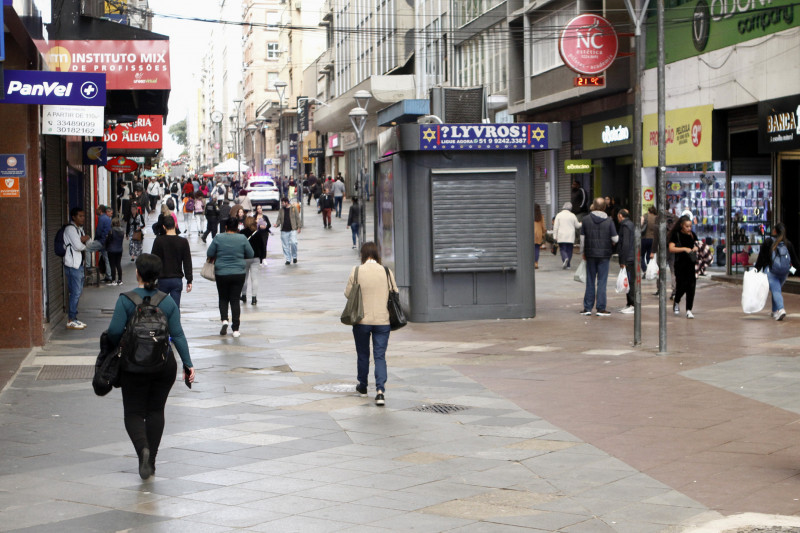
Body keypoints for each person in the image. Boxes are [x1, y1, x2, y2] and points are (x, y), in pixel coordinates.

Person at [106, 254, 194, 480]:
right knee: (156, 411)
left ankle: (142, 449)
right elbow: (178, 335)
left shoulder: (126, 300)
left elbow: (114, 332)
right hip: (163, 365)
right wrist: (188, 364)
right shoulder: (167, 302)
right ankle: (151, 461)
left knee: (133, 412)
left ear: (138, 273)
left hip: (133, 366)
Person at [344, 242, 398, 407]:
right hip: (383, 321)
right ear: (376, 254)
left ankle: (363, 386)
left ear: (363, 254)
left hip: (362, 320)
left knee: (363, 354)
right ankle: (380, 391)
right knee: (380, 356)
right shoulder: (386, 271)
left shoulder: (357, 271)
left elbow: (347, 293)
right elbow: (395, 292)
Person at [207, 217, 254, 337]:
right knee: (234, 300)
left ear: (226, 227)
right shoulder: (242, 238)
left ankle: (224, 320)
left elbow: (210, 253)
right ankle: (236, 329)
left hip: (221, 273)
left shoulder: (218, 237)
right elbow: (251, 254)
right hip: (238, 273)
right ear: (237, 227)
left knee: (223, 298)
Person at [580, 198, 618, 317]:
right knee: (602, 281)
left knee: (590, 280)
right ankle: (601, 308)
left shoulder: (585, 220)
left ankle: (587, 307)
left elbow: (582, 239)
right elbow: (615, 239)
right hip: (604, 255)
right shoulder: (609, 221)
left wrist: (583, 252)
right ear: (604, 207)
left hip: (590, 254)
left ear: (593, 206)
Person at [755, 222, 799, 321]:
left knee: (776, 290)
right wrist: (794, 272)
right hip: (784, 273)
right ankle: (775, 311)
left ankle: (781, 309)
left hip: (771, 271)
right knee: (776, 289)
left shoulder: (768, 242)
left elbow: (761, 258)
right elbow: (795, 262)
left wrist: (756, 270)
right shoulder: (788, 244)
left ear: (774, 231)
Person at [62, 207, 95, 329]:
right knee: (75, 293)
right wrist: (83, 240)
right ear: (73, 217)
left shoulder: (79, 229)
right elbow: (78, 247)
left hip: (79, 265)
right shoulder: (70, 229)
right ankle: (71, 319)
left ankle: (74, 317)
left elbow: (89, 243)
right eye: (80, 216)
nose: (83, 218)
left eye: (83, 216)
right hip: (73, 266)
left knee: (78, 292)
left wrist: (84, 239)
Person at [151, 216, 193, 307]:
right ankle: (175, 321)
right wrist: (189, 280)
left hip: (162, 279)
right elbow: (187, 262)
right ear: (175, 225)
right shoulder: (183, 242)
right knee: (175, 307)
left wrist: (151, 278)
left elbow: (153, 260)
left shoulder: (159, 241)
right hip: (176, 279)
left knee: (160, 307)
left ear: (164, 227)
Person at [668, 215, 699, 319]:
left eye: (690, 226)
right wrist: (684, 249)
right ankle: (676, 301)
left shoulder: (692, 235)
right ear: (682, 226)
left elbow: (696, 244)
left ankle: (689, 310)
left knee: (691, 286)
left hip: (691, 264)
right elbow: (671, 248)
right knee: (682, 286)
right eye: (687, 226)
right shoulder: (676, 235)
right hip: (680, 265)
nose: (689, 228)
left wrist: (695, 248)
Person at [239, 216, 264, 305]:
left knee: (244, 278)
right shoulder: (257, 233)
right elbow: (262, 246)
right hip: (255, 258)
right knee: (254, 279)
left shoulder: (241, 233)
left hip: (244, 258)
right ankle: (254, 298)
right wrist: (262, 258)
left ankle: (244, 295)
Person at [617, 209, 636, 314]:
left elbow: (625, 244)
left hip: (628, 258)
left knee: (630, 281)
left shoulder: (625, 226)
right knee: (628, 281)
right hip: (630, 257)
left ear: (620, 216)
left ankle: (632, 304)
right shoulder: (630, 224)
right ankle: (629, 303)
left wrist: (623, 259)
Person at [553, 202, 581, 269]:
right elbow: (577, 226)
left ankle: (565, 258)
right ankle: (568, 265)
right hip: (570, 236)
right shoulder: (572, 215)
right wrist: (581, 223)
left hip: (561, 235)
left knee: (562, 249)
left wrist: (554, 236)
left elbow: (555, 227)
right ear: (570, 208)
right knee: (569, 250)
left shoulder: (559, 215)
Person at [276, 197, 302, 265]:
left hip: (292, 229)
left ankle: (294, 256)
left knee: (294, 243)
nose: (282, 204)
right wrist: (277, 224)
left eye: (283, 203)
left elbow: (297, 218)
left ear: (287, 202)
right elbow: (279, 219)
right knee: (285, 246)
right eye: (281, 203)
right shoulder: (281, 210)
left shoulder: (293, 208)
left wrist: (299, 227)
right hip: (284, 230)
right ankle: (288, 259)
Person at [95, 205, 113, 283]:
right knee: (106, 258)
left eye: (97, 209)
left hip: (102, 241)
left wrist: (96, 239)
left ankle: (88, 266)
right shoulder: (107, 219)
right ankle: (108, 275)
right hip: (106, 241)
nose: (96, 210)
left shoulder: (102, 218)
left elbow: (99, 231)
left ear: (100, 210)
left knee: (88, 248)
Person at [107, 216, 125, 286]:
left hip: (111, 250)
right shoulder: (122, 231)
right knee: (118, 264)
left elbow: (108, 240)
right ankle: (120, 280)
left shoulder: (111, 231)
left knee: (112, 265)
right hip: (119, 249)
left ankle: (113, 280)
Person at [641, 206, 657, 272]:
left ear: (648, 211)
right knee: (649, 255)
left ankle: (645, 270)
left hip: (644, 238)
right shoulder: (657, 218)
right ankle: (649, 270)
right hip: (653, 239)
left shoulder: (645, 216)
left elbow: (640, 225)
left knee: (641, 255)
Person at [533, 204, 546, 269]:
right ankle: (536, 263)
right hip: (538, 234)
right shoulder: (541, 216)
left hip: (531, 234)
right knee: (537, 249)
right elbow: (543, 227)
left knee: (530, 249)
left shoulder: (530, 215)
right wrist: (544, 233)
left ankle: (530, 262)